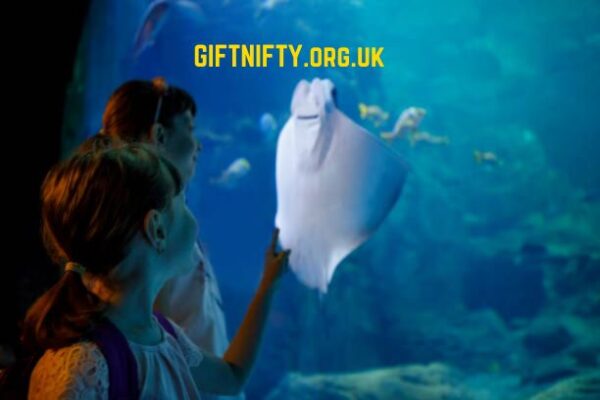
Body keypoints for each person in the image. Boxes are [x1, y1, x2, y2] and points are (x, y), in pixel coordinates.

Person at [25, 143, 289, 398]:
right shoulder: (84, 368)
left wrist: (268, 285)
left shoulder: (167, 335)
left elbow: (231, 377)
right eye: (183, 202)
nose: (192, 217)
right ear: (157, 230)